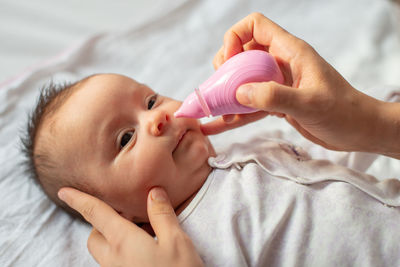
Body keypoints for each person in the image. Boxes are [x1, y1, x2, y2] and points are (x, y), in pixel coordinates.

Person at [34, 12, 400, 266]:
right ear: (120, 217)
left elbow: (339, 159)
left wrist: (376, 112)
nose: (157, 117)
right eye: (126, 137)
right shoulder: (191, 246)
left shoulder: (252, 145)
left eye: (150, 101)